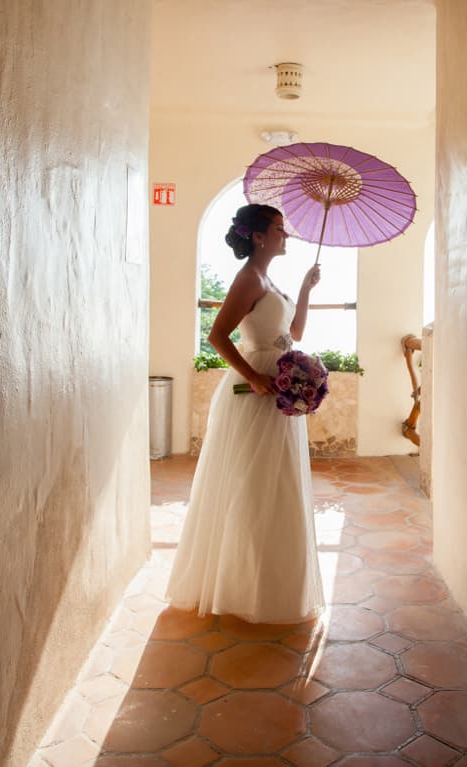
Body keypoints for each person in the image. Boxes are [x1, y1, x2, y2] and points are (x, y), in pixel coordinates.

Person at [166, 203, 325, 623]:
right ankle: (239, 586)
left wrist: (306, 290)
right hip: (254, 393)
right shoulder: (248, 278)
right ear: (258, 236)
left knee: (278, 483)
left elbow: (293, 335)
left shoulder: (269, 279)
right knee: (251, 485)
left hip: (279, 390)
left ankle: (272, 585)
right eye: (279, 229)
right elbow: (218, 335)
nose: (285, 235)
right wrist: (253, 376)